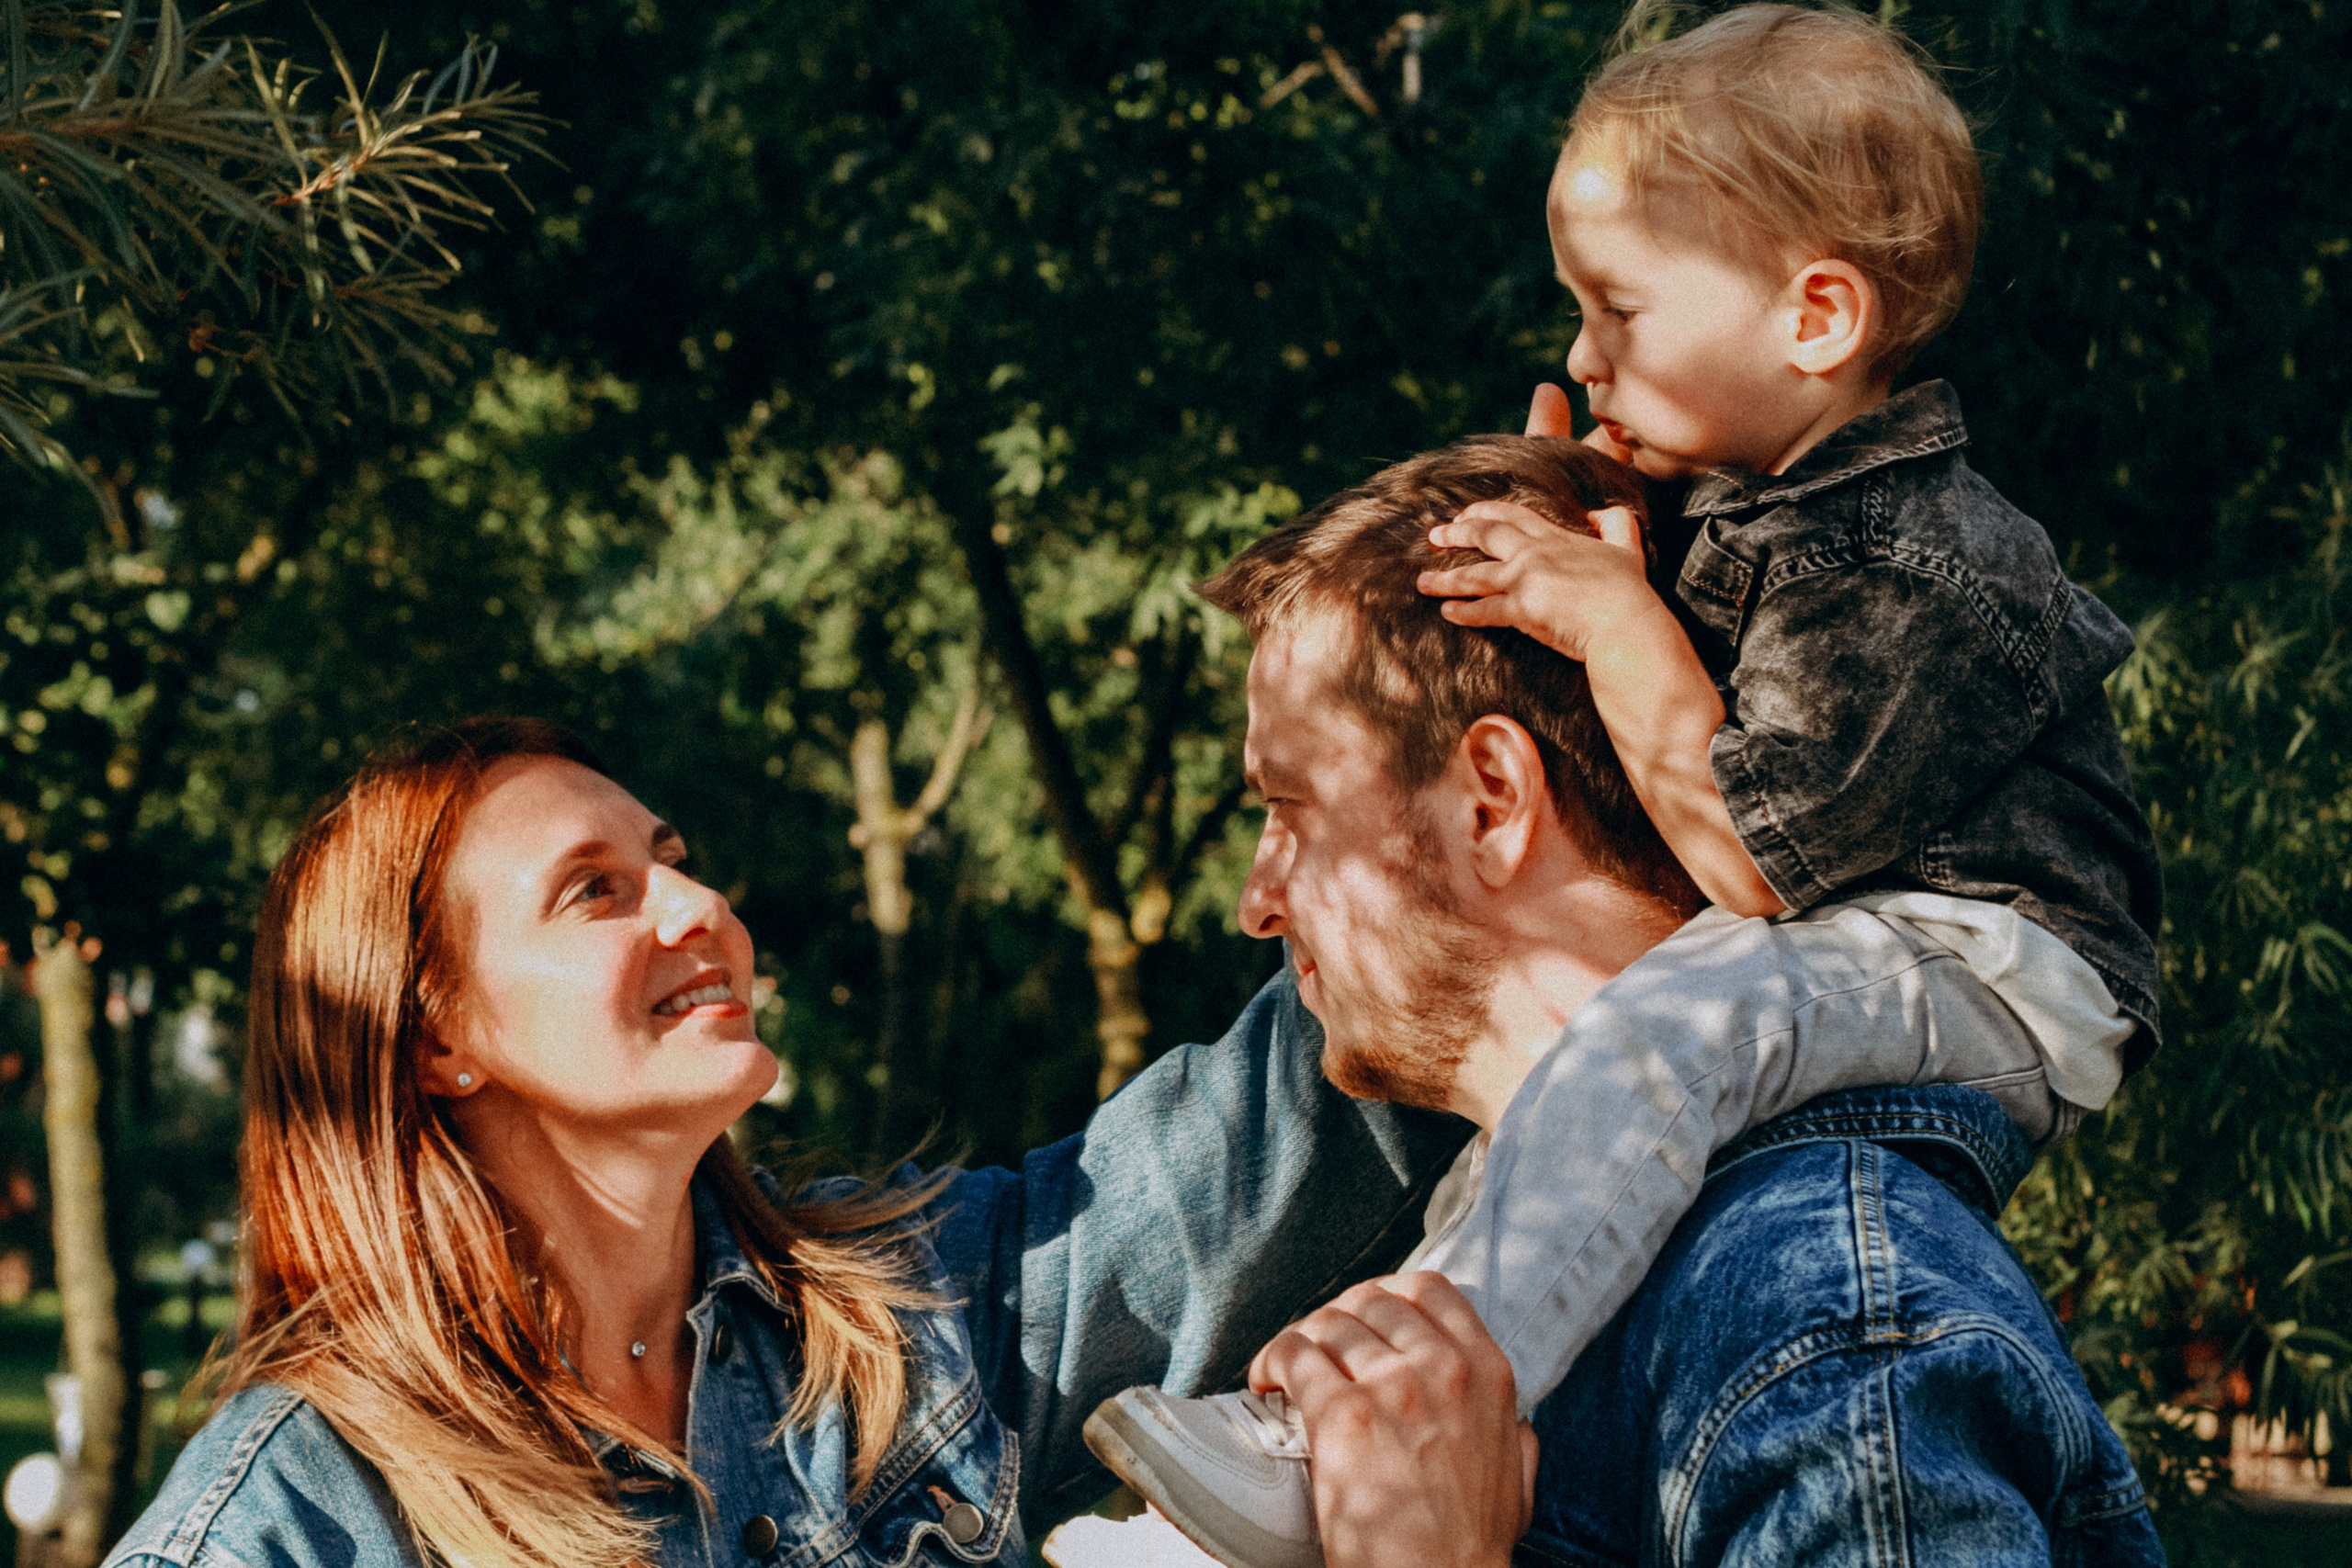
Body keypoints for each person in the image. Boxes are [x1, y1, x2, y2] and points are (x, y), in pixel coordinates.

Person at [1090, 6, 2161, 1559]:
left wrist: (1610, 617)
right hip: (1889, 932)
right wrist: (1577, 498)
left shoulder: (1922, 561)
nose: (1582, 354)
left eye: (1619, 309)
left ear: (1816, 316)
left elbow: (1749, 858)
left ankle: (1401, 1408)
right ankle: (1349, 1430)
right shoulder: (1769, 511)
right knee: (1559, 1129)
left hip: (1997, 954)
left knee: (1667, 1032)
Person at [101, 717, 1467, 1568]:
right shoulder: (296, 1523)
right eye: (595, 892)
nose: (698, 905)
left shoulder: (909, 1320)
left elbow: (1276, 1131)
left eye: (672, 857)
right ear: (434, 1037)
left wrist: (1494, 678)